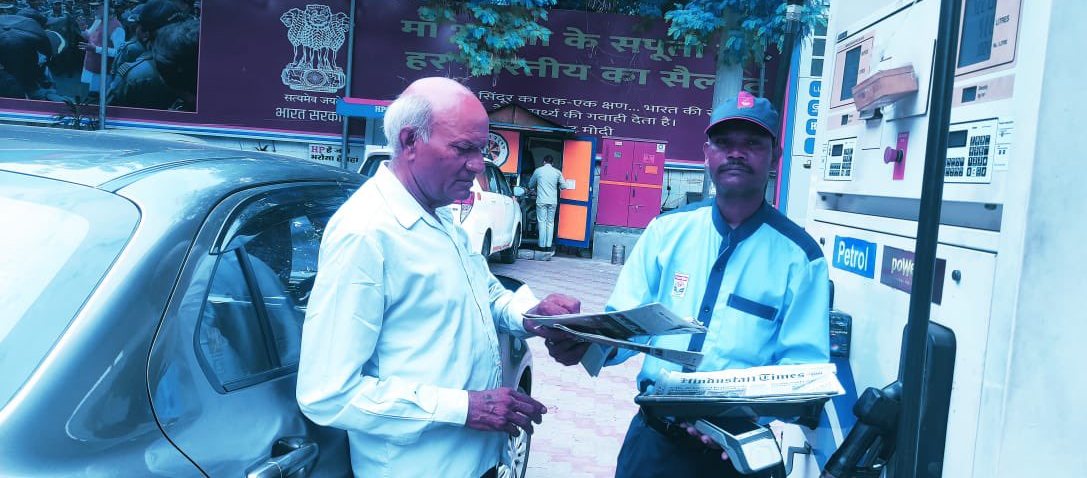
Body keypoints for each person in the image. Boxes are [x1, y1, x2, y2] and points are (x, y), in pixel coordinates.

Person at [296, 77, 589, 477]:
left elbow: (486, 294)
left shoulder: (441, 216)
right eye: (463, 149)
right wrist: (465, 407)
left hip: (478, 462)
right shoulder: (366, 233)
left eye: (482, 150)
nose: (478, 165)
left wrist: (532, 315)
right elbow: (327, 394)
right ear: (410, 141)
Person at [592, 91, 831, 478]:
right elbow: (623, 327)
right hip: (655, 447)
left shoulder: (801, 259)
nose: (736, 153)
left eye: (752, 143)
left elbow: (802, 374)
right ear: (707, 154)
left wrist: (736, 419)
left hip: (736, 457)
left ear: (775, 157)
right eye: (724, 143)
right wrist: (582, 340)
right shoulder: (666, 232)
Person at [526, 154, 565, 253]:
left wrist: (536, 188)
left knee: (542, 222)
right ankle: (548, 245)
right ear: (552, 163)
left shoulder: (538, 171)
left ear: (543, 162)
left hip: (541, 201)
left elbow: (530, 185)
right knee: (550, 223)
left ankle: (541, 246)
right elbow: (563, 186)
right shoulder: (557, 172)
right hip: (552, 201)